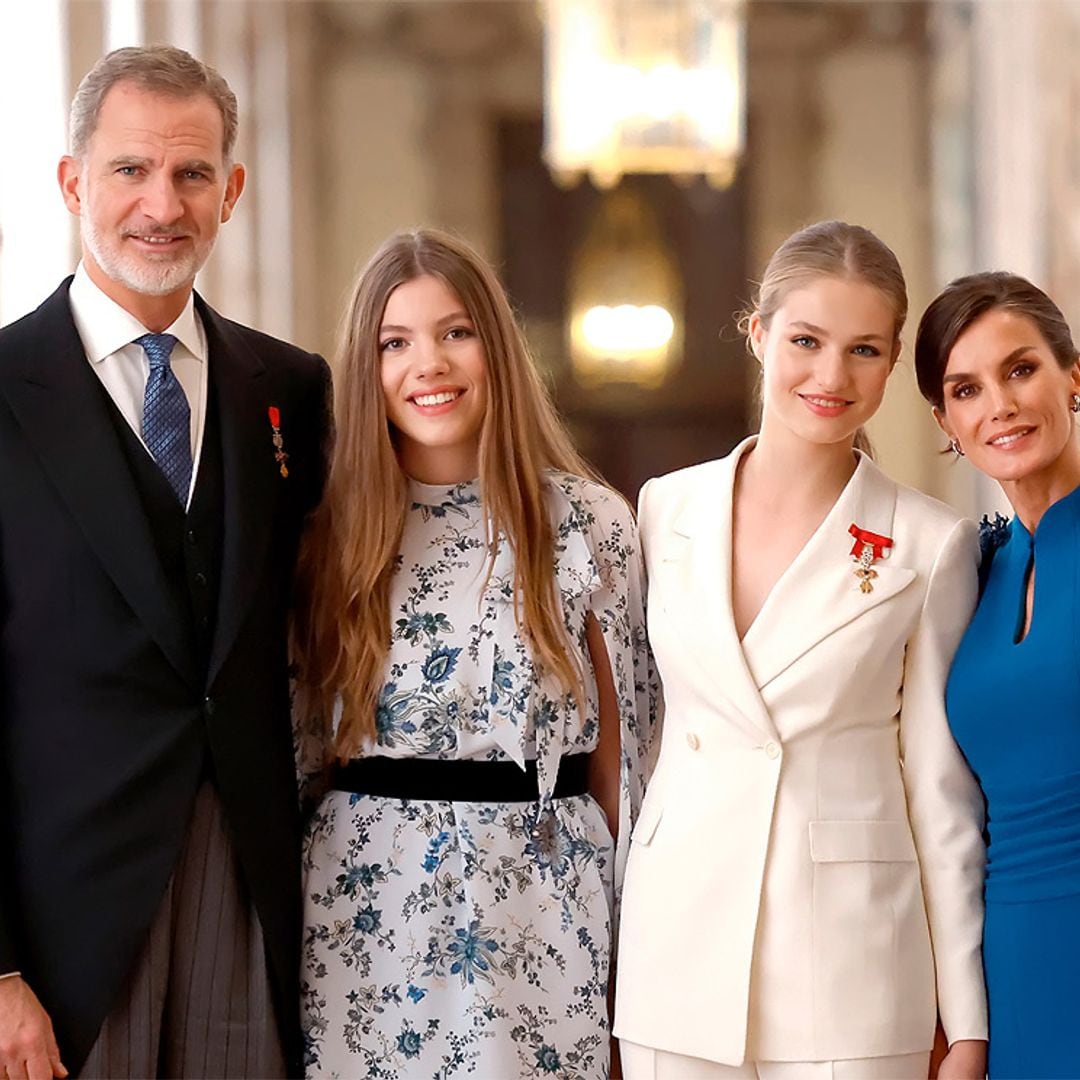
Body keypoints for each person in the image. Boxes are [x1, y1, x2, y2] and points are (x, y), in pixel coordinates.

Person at [0, 45, 329, 1079]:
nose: (162, 204)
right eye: (129, 170)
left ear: (231, 191)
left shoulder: (291, 388)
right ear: (71, 183)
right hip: (62, 921)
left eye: (192, 174)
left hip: (250, 885)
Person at [614, 221, 988, 1080]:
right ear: (758, 334)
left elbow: (939, 794)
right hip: (677, 953)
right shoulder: (665, 511)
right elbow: (636, 739)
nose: (830, 376)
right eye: (806, 341)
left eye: (863, 350)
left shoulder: (927, 544)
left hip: (848, 963)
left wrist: (965, 1019)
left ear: (894, 361)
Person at [292, 227, 654, 1079]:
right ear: (366, 365)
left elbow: (624, 766)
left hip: (543, 913)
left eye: (455, 332)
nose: (430, 364)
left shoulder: (588, 524)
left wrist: (633, 979)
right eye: (395, 341)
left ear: (496, 348)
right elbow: (297, 753)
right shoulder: (325, 538)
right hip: (363, 918)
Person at [915, 271, 1080, 1079]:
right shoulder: (974, 567)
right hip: (1010, 969)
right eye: (967, 389)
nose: (1001, 406)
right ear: (946, 422)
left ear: (1072, 376)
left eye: (1021, 370)